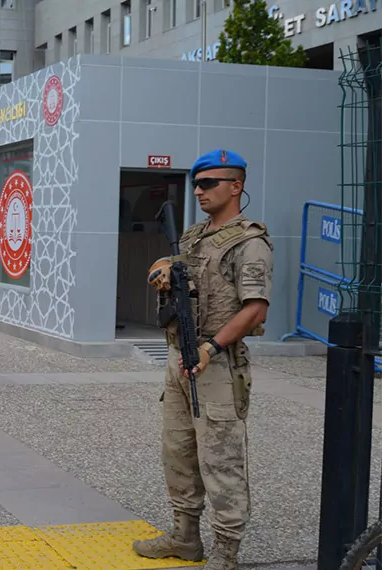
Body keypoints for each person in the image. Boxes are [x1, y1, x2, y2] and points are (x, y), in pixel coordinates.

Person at [133, 149, 272, 570]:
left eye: (209, 183)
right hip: (179, 357)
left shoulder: (250, 242)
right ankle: (185, 537)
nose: (199, 190)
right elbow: (171, 266)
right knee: (178, 453)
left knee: (221, 460)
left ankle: (226, 554)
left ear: (236, 186)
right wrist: (159, 268)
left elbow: (255, 309)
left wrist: (211, 349)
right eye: (197, 183)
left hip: (216, 361)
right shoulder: (194, 236)